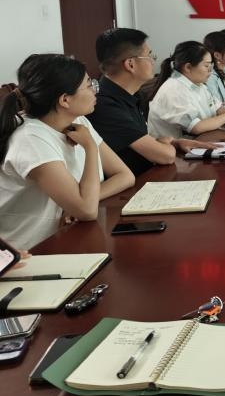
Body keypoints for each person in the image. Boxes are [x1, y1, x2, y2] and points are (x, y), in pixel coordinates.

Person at [0, 54, 134, 250]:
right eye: (89, 85)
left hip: (69, 237)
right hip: (29, 252)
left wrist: (81, 203)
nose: (95, 90)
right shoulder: (30, 139)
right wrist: (90, 147)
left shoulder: (77, 121)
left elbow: (125, 176)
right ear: (64, 99)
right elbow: (87, 211)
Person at [86, 28, 217, 176]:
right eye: (149, 55)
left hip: (148, 174)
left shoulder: (131, 94)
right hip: (134, 184)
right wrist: (165, 146)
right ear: (130, 64)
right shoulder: (104, 104)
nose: (153, 61)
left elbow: (135, 140)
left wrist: (175, 142)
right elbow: (165, 156)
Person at [148, 41, 225, 139]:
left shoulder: (199, 85)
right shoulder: (174, 89)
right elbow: (196, 127)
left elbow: (217, 108)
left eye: (211, 65)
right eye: (206, 66)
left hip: (205, 139)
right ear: (188, 67)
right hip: (177, 147)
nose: (210, 70)